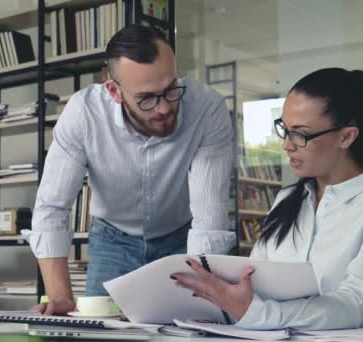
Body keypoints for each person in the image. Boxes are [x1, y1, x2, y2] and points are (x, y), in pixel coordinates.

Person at [171, 68, 363, 330]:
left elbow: (353, 304)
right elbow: (254, 284)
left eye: (301, 134)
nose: (287, 145)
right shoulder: (287, 199)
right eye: (285, 129)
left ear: (346, 136)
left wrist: (254, 313)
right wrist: (223, 311)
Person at [28, 24, 236, 315]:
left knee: (193, 324)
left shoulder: (207, 108)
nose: (164, 108)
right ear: (114, 90)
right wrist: (60, 296)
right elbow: (51, 207)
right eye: (147, 98)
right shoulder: (83, 114)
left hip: (182, 237)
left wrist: (203, 303)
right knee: (102, 334)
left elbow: (210, 214)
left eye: (171, 89)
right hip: (112, 240)